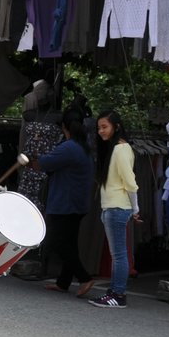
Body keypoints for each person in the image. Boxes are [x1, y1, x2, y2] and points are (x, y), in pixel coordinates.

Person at [37, 114, 97, 297]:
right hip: (77, 203)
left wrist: (34, 158)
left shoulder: (69, 148)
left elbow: (45, 163)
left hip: (65, 203)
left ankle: (84, 277)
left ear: (65, 128)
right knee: (69, 242)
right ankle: (64, 282)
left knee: (58, 242)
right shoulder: (83, 148)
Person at [91, 109, 139, 309]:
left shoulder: (120, 149)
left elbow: (130, 182)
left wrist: (135, 208)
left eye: (105, 127)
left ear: (116, 127)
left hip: (117, 207)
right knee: (117, 253)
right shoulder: (116, 148)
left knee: (118, 254)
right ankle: (115, 291)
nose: (101, 131)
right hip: (113, 207)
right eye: (99, 128)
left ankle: (118, 294)